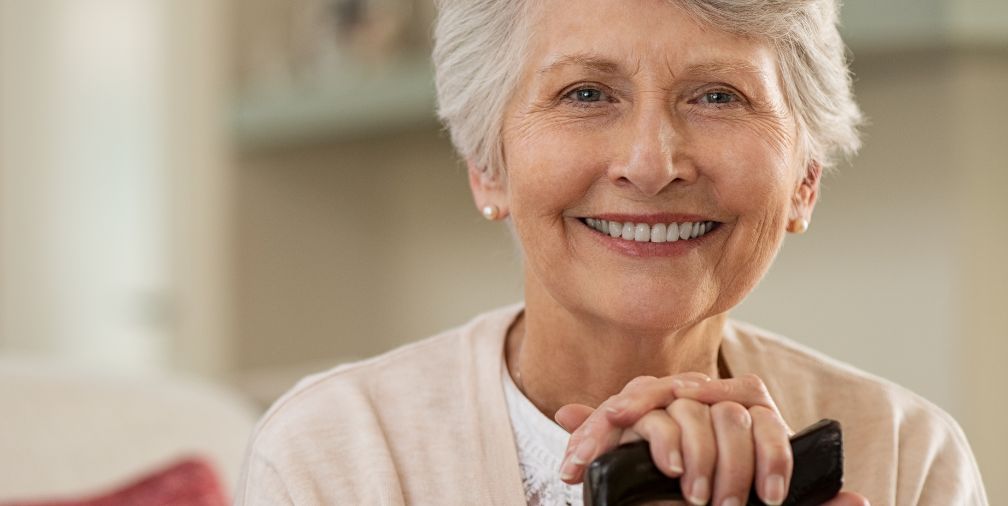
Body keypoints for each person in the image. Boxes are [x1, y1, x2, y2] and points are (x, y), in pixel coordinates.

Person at [235, 0, 989, 504]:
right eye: (587, 94)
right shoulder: (337, 458)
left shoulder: (906, 456)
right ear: (486, 166)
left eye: (719, 95)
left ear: (805, 179)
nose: (653, 162)